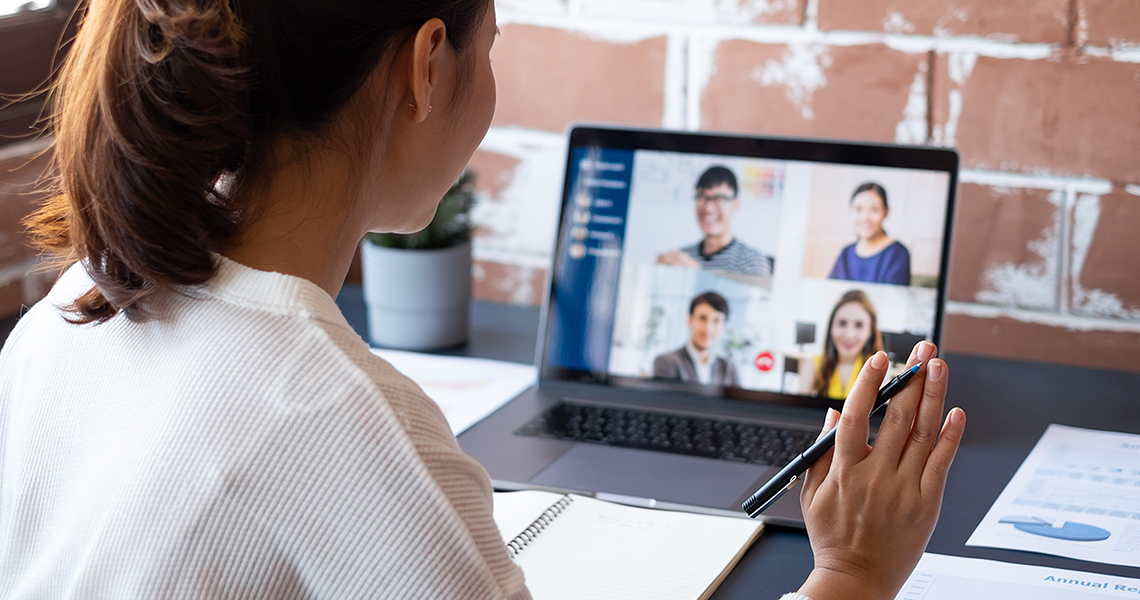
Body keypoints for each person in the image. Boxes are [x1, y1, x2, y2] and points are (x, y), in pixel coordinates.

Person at [0, 0, 965, 598]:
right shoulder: (336, 423)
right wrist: (853, 575)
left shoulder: (68, 312)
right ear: (427, 64)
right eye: (489, 41)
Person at [656, 165, 774, 277]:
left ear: (735, 205)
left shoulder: (751, 262)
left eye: (718, 199)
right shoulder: (682, 257)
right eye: (702, 198)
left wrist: (696, 274)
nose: (708, 208)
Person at [801, 290, 884, 399]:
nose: (849, 334)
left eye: (859, 325)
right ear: (831, 327)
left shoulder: (878, 369)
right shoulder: (813, 365)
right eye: (842, 323)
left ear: (870, 331)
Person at [828, 182, 911, 285]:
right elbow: (829, 291)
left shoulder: (897, 253)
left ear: (886, 212)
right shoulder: (846, 252)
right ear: (850, 211)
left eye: (874, 210)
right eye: (858, 209)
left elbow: (892, 298)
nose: (865, 217)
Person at [653, 291, 739, 387]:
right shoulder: (668, 362)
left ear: (723, 326)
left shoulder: (728, 369)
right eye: (702, 318)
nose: (708, 328)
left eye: (716, 321)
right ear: (689, 320)